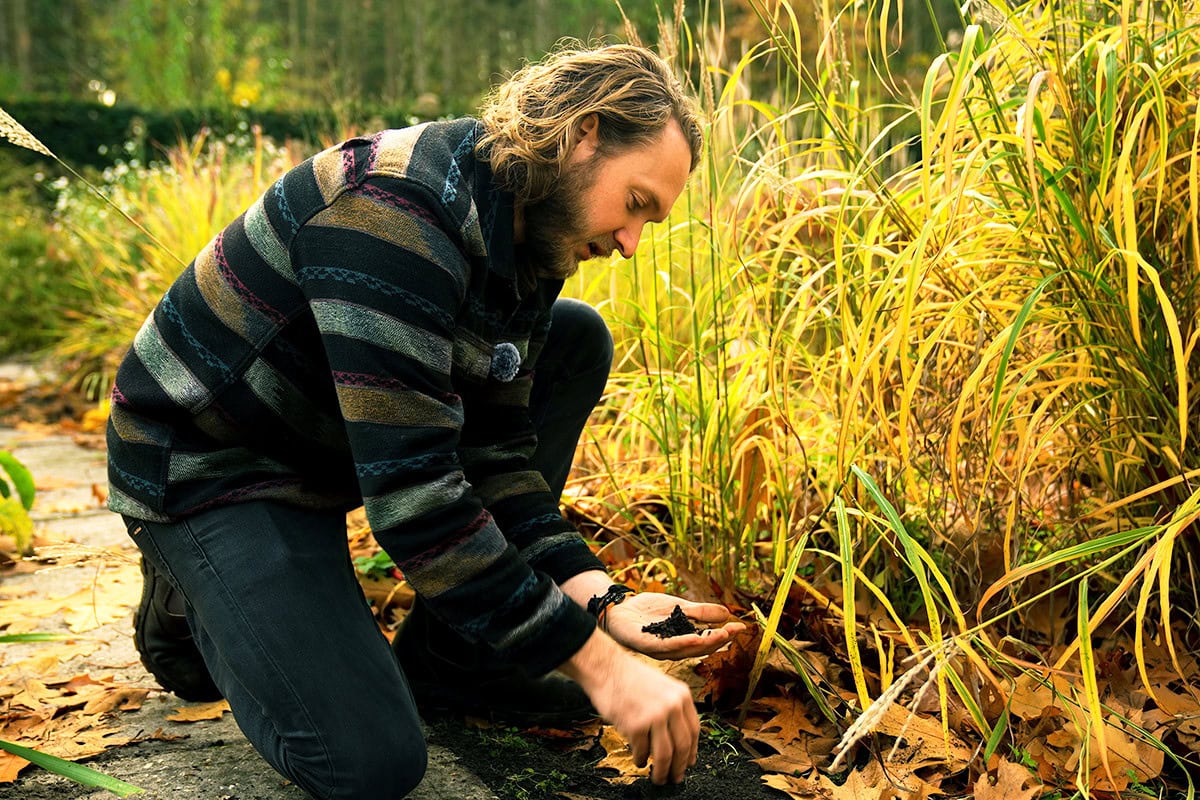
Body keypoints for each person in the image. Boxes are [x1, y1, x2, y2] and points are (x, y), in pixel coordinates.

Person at [106, 42, 746, 800]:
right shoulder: (392, 214)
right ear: (585, 136)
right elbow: (417, 501)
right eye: (637, 203)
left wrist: (598, 599)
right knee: (367, 765)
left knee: (574, 338)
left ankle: (462, 666)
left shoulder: (530, 233)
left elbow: (499, 457)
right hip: (212, 466)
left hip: (335, 441)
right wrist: (600, 666)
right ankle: (189, 592)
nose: (632, 244)